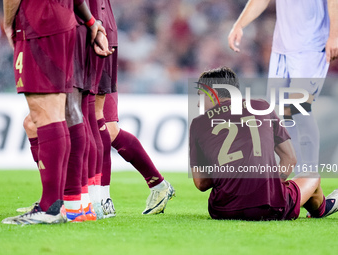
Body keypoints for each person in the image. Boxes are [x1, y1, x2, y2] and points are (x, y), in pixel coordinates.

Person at [2, 0, 106, 225]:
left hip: (39, 23)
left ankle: (50, 207)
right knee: (58, 114)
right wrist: (90, 21)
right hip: (64, 24)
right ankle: (58, 204)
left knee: (44, 115)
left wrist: (8, 24)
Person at [189, 67, 338, 220]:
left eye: (201, 96)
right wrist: (269, 185)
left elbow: (201, 183)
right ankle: (322, 209)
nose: (199, 105)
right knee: (311, 176)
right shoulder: (263, 107)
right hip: (271, 206)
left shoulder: (198, 124)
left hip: (222, 210)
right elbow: (290, 159)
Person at [228, 0, 338, 172]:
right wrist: (239, 25)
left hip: (312, 45)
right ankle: (296, 173)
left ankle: (309, 174)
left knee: (298, 108)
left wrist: (334, 35)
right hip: (282, 48)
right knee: (284, 114)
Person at [95, 0, 175, 215]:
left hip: (97, 39)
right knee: (52, 123)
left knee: (105, 128)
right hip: (80, 40)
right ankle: (55, 198)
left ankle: (103, 199)